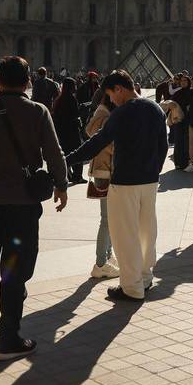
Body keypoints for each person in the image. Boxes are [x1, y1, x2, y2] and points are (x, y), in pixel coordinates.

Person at [0, 56, 69, 361]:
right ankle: (7, 339)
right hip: (23, 208)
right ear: (27, 81)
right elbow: (54, 152)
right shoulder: (37, 111)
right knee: (14, 273)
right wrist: (61, 184)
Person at [66, 70, 169, 303]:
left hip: (125, 182)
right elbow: (163, 144)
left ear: (120, 89)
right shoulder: (155, 109)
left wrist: (67, 160)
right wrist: (155, 169)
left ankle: (131, 288)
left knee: (125, 235)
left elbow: (97, 143)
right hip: (150, 181)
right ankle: (144, 278)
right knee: (146, 232)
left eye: (111, 94)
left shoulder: (122, 113)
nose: (111, 99)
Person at [84, 90, 119, 280]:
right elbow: (109, 144)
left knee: (109, 219)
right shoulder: (107, 116)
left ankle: (107, 257)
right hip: (107, 171)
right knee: (107, 220)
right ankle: (100, 263)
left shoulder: (101, 114)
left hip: (101, 170)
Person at [52, 77, 85, 185]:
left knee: (65, 153)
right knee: (78, 153)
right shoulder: (71, 99)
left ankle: (66, 175)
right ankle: (77, 176)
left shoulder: (59, 100)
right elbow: (75, 115)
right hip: (72, 131)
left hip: (62, 132)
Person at [169, 77, 193, 171]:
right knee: (178, 141)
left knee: (187, 141)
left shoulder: (192, 92)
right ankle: (178, 163)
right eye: (182, 81)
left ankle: (186, 162)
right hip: (179, 120)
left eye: (185, 81)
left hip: (188, 120)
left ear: (188, 82)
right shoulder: (178, 93)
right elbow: (171, 103)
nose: (183, 82)